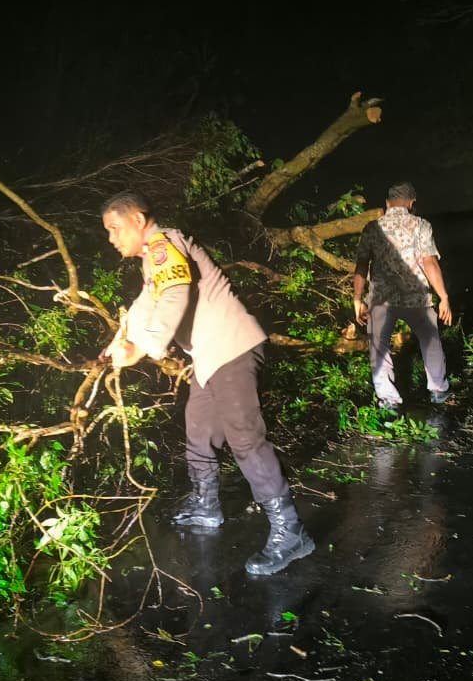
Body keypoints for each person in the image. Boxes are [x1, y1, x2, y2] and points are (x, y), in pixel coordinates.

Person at [100, 190, 315, 576]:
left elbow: (175, 293)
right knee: (199, 429)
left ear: (138, 219)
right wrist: (123, 338)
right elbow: (147, 303)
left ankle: (291, 532)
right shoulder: (154, 256)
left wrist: (141, 348)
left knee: (245, 439)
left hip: (231, 348)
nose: (112, 238)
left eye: (115, 228)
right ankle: (206, 506)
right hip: (210, 357)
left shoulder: (162, 245)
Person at [351, 181, 453, 409]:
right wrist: (443, 297)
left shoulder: (372, 228)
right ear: (412, 202)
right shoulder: (421, 225)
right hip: (416, 298)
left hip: (381, 299)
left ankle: (389, 399)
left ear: (387, 203)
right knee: (430, 341)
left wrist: (357, 298)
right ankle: (438, 390)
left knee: (379, 346)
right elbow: (430, 262)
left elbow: (361, 265)